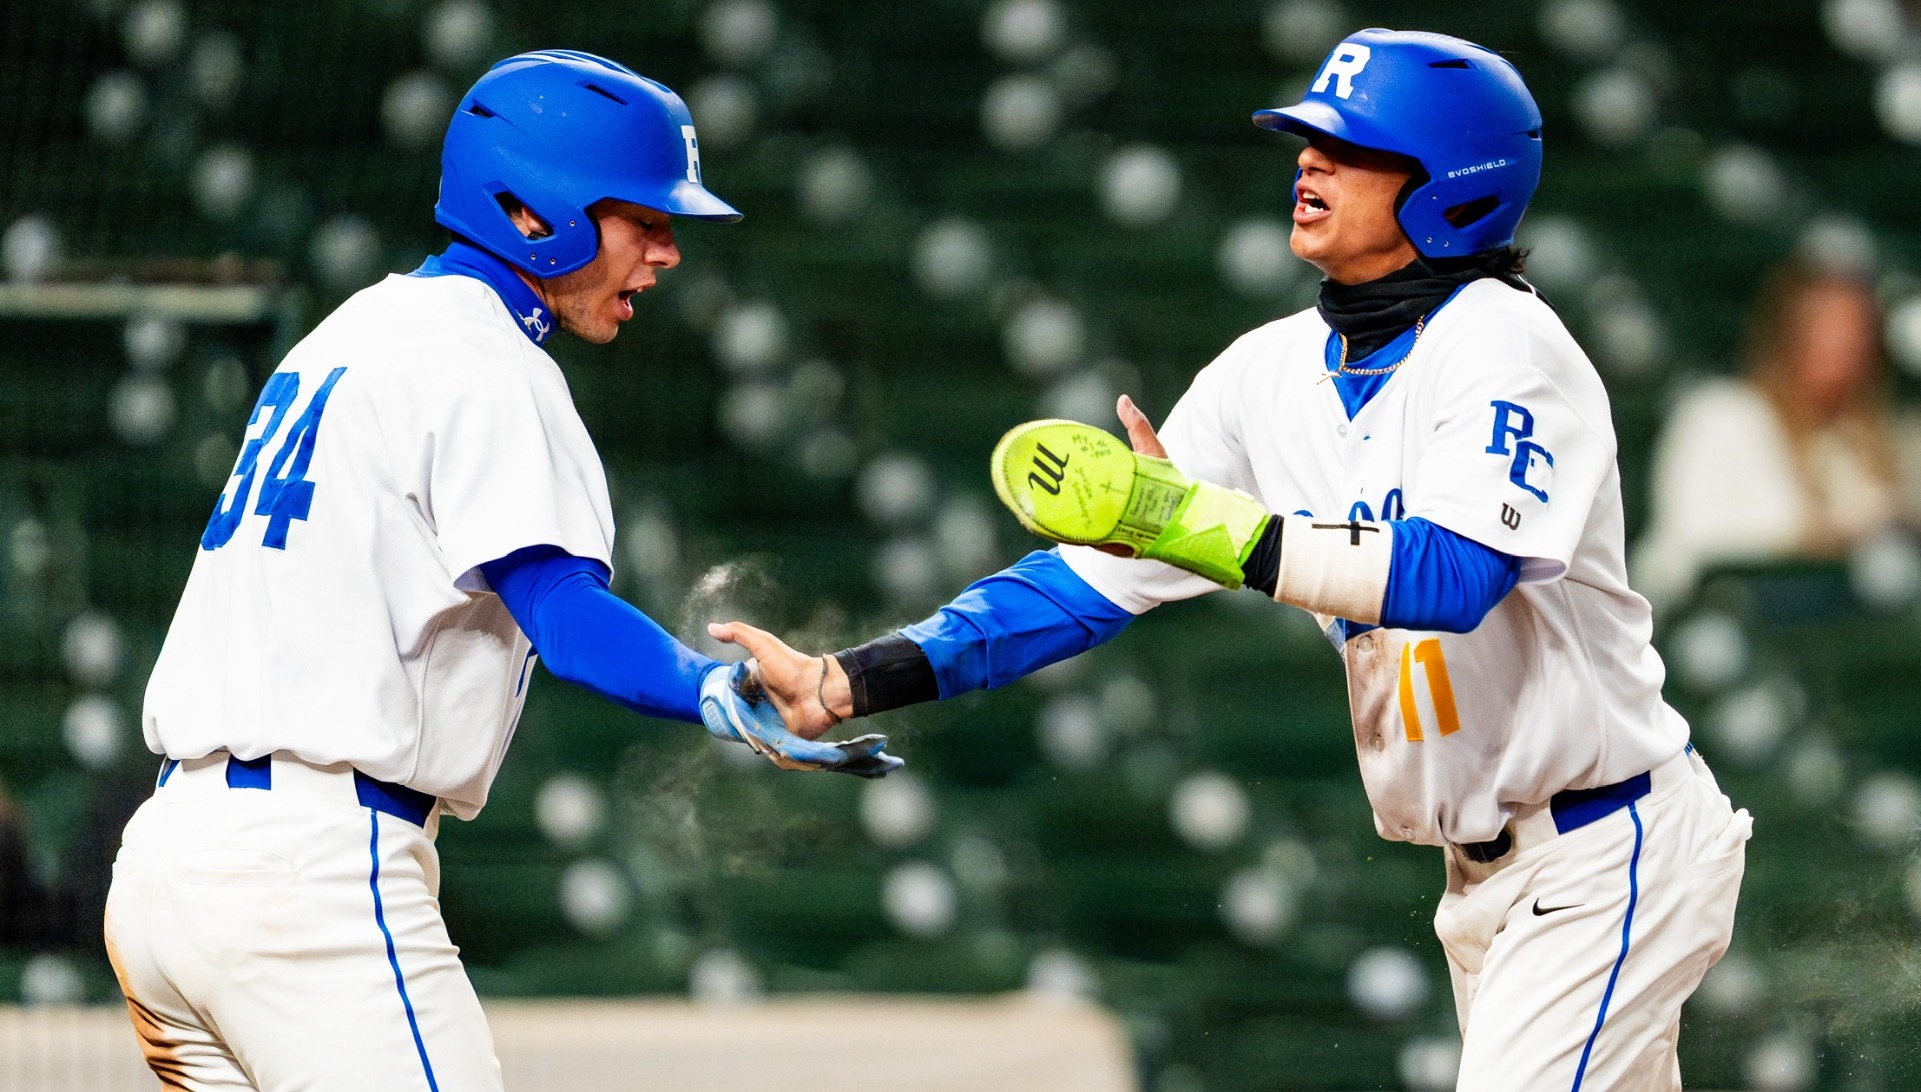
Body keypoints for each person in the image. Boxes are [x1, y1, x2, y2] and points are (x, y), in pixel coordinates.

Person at [714, 29, 1752, 1090]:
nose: (1307, 161)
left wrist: (1204, 529)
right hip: (1486, 885)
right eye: (1305, 139)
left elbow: (1453, 575)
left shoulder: (1503, 348)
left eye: (1349, 148)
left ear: (1451, 185)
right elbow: (1086, 584)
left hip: (1600, 851)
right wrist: (854, 679)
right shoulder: (1265, 373)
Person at [104, 50, 895, 1092]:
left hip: (169, 867)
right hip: (309, 883)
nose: (665, 254)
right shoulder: (486, 363)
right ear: (535, 213)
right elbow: (563, 614)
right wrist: (708, 687)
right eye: (642, 221)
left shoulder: (353, 331)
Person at [1634, 257, 1921, 604]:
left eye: (1856, 331)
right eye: (1825, 328)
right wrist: (1817, 533)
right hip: (1724, 617)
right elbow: (1691, 540)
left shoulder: (1884, 435)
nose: (1845, 346)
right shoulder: (1719, 413)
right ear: (1787, 332)